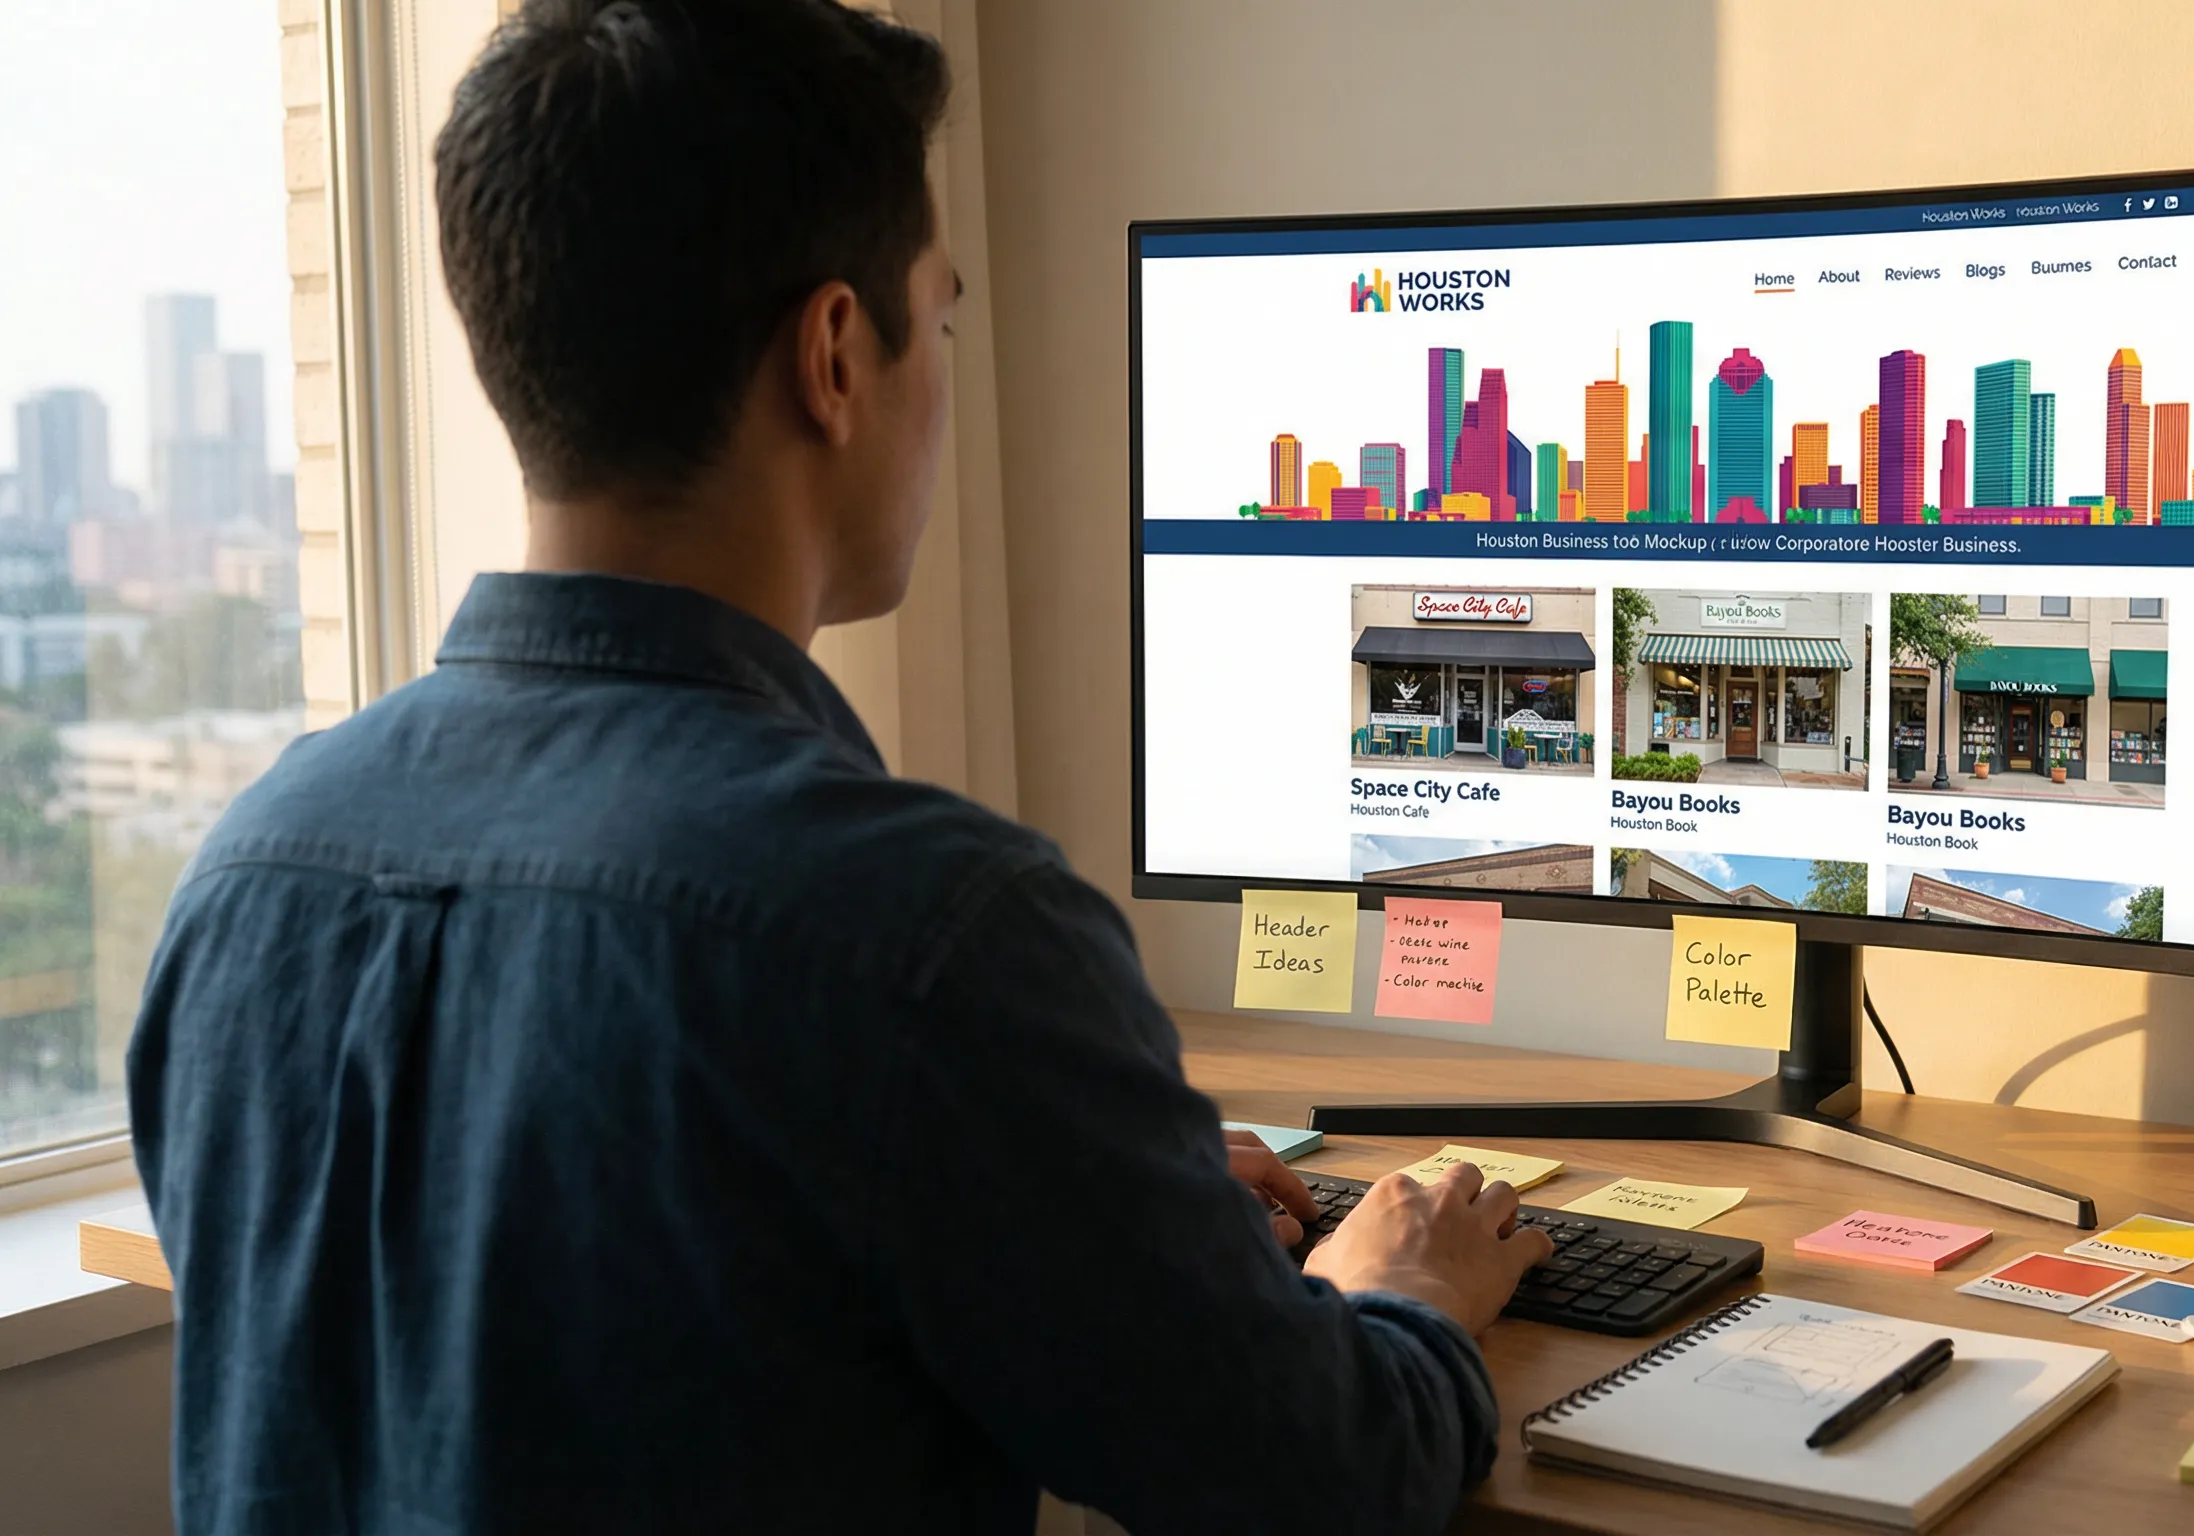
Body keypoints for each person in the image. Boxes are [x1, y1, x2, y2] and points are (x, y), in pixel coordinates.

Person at [126, 2, 1551, 1532]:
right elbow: (1317, 1482)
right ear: (832, 356)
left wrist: (1091, 1181)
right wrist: (1399, 1293)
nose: (943, 367)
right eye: (940, 317)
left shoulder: (248, 876)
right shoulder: (933, 936)